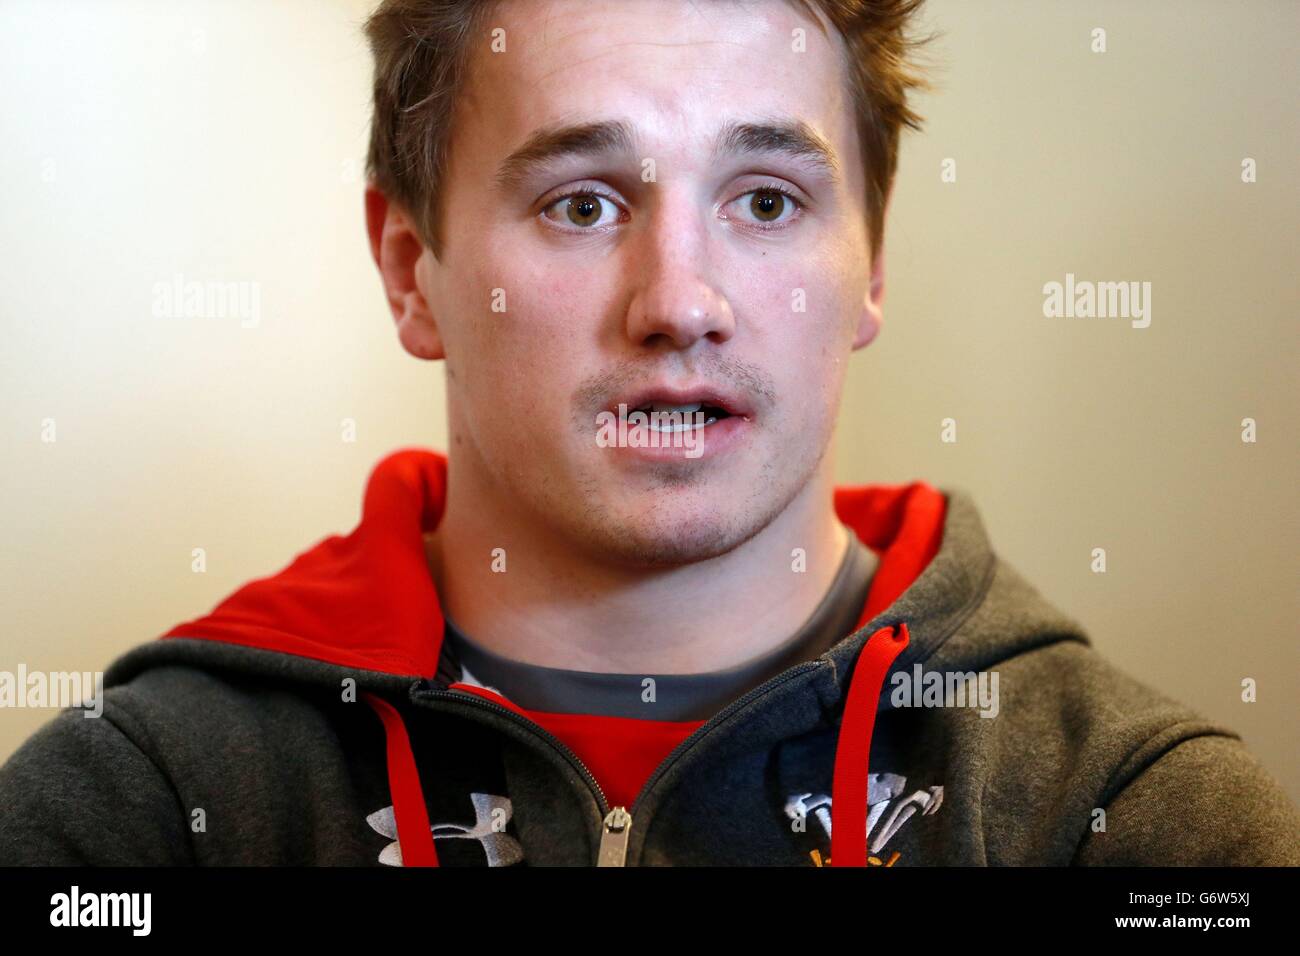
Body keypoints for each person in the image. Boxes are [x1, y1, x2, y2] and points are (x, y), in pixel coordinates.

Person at [2, 0, 1296, 867]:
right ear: (411, 272)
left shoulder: (1142, 825)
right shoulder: (135, 815)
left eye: (769, 198)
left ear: (875, 265)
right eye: (579, 204)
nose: (681, 303)